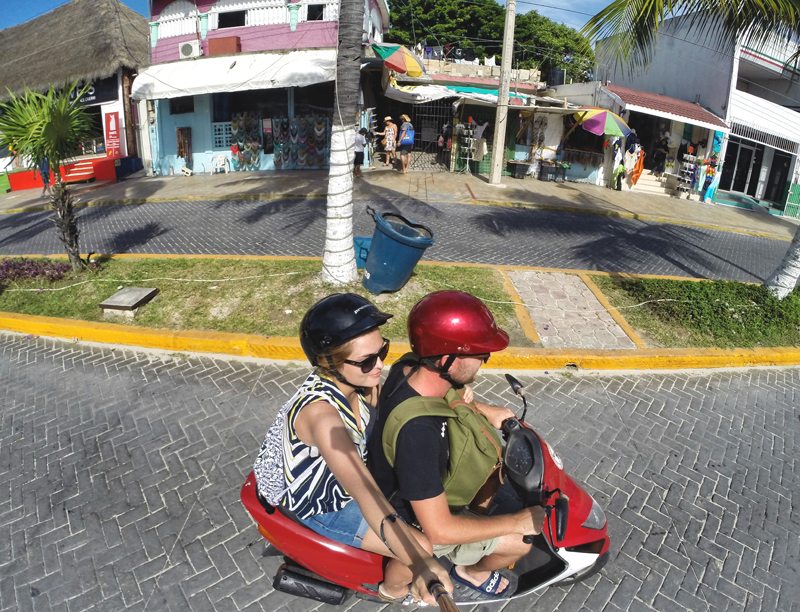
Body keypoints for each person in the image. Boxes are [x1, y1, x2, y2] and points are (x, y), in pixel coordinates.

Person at [253, 293, 452, 605]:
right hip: (320, 502)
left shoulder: (360, 383)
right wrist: (420, 562)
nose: (380, 365)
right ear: (326, 361)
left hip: (333, 477)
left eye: (382, 350)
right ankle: (391, 591)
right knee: (423, 544)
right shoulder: (323, 417)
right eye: (367, 360)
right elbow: (363, 490)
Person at [368, 290, 546, 601]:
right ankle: (469, 572)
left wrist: (487, 410)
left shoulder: (409, 367)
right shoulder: (418, 434)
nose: (484, 361)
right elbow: (439, 530)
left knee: (493, 470)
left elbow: (450, 396)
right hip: (411, 519)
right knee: (521, 541)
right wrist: (518, 522)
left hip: (410, 484)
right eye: (479, 353)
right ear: (447, 357)